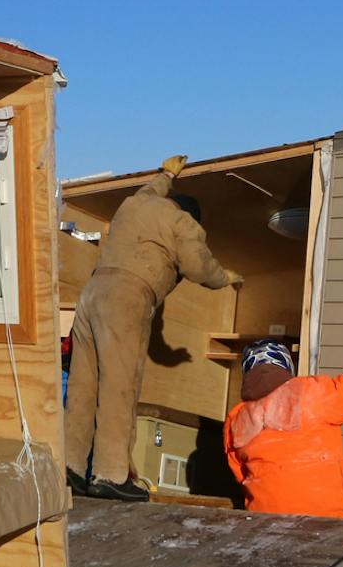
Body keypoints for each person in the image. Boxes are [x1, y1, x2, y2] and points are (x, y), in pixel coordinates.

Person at [65, 154, 240, 501]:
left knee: (85, 385)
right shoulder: (184, 224)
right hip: (127, 297)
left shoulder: (137, 203)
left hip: (91, 294)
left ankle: (68, 469)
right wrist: (225, 278)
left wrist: (167, 173)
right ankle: (111, 475)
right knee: (120, 386)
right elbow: (199, 266)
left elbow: (151, 188)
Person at [224, 341, 343, 518]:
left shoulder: (236, 418)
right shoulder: (311, 393)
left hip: (265, 517)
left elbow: (239, 472)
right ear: (286, 365)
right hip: (325, 516)